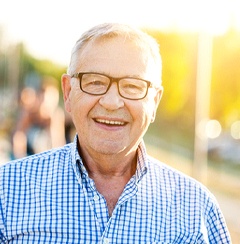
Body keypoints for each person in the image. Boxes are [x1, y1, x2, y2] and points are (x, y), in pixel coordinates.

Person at [0, 23, 231, 243]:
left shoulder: (197, 209)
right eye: (95, 82)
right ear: (68, 92)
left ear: (155, 101)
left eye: (132, 86)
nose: (111, 102)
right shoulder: (7, 190)